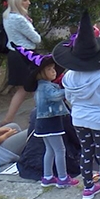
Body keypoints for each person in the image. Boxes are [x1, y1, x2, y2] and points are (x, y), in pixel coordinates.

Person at [53, 12, 100, 199]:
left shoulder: (69, 76)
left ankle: (88, 187)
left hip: (79, 118)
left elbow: (68, 96)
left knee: (87, 152)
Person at [13, 49, 76, 188]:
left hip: (43, 124)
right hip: (51, 122)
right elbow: (56, 96)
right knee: (60, 150)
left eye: (54, 68)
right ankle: (63, 177)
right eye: (50, 69)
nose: (54, 71)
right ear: (41, 73)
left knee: (50, 150)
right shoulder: (47, 87)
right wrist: (70, 89)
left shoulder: (42, 87)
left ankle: (47, 176)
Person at [2, 0, 41, 126]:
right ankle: (42, 115)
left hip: (14, 53)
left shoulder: (7, 15)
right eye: (25, 0)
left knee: (23, 89)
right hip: (26, 55)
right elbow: (36, 39)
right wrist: (30, 24)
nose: (28, 3)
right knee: (38, 85)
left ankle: (8, 118)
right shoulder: (20, 19)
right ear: (18, 2)